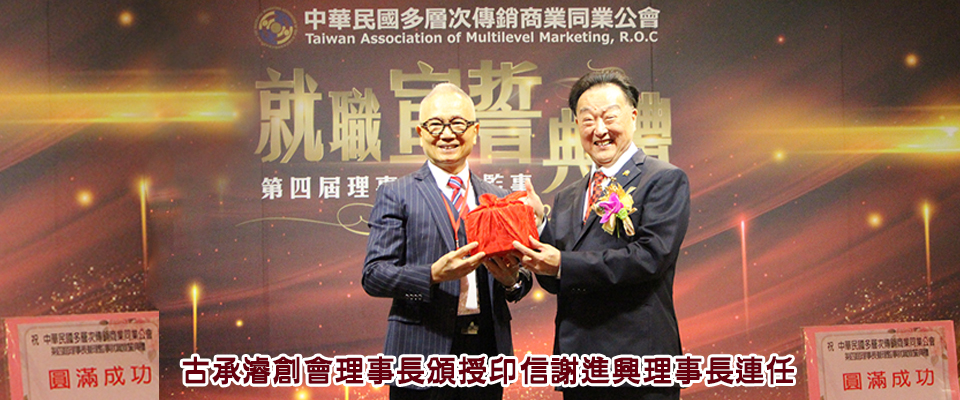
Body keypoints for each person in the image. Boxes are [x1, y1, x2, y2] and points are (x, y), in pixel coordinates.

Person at [514, 68, 691, 400]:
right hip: (579, 366)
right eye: (587, 120)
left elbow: (651, 258)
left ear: (633, 117)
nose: (599, 130)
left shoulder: (663, 179)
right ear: (576, 125)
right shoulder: (568, 196)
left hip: (638, 365)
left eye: (609, 117)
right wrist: (540, 226)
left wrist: (563, 264)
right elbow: (555, 281)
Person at [362, 82, 533, 400]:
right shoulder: (396, 194)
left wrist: (512, 282)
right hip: (420, 350)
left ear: (475, 131)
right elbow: (374, 275)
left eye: (457, 123)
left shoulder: (497, 197)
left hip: (486, 351)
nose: (447, 134)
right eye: (435, 124)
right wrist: (431, 274)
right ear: (420, 132)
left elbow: (522, 276)